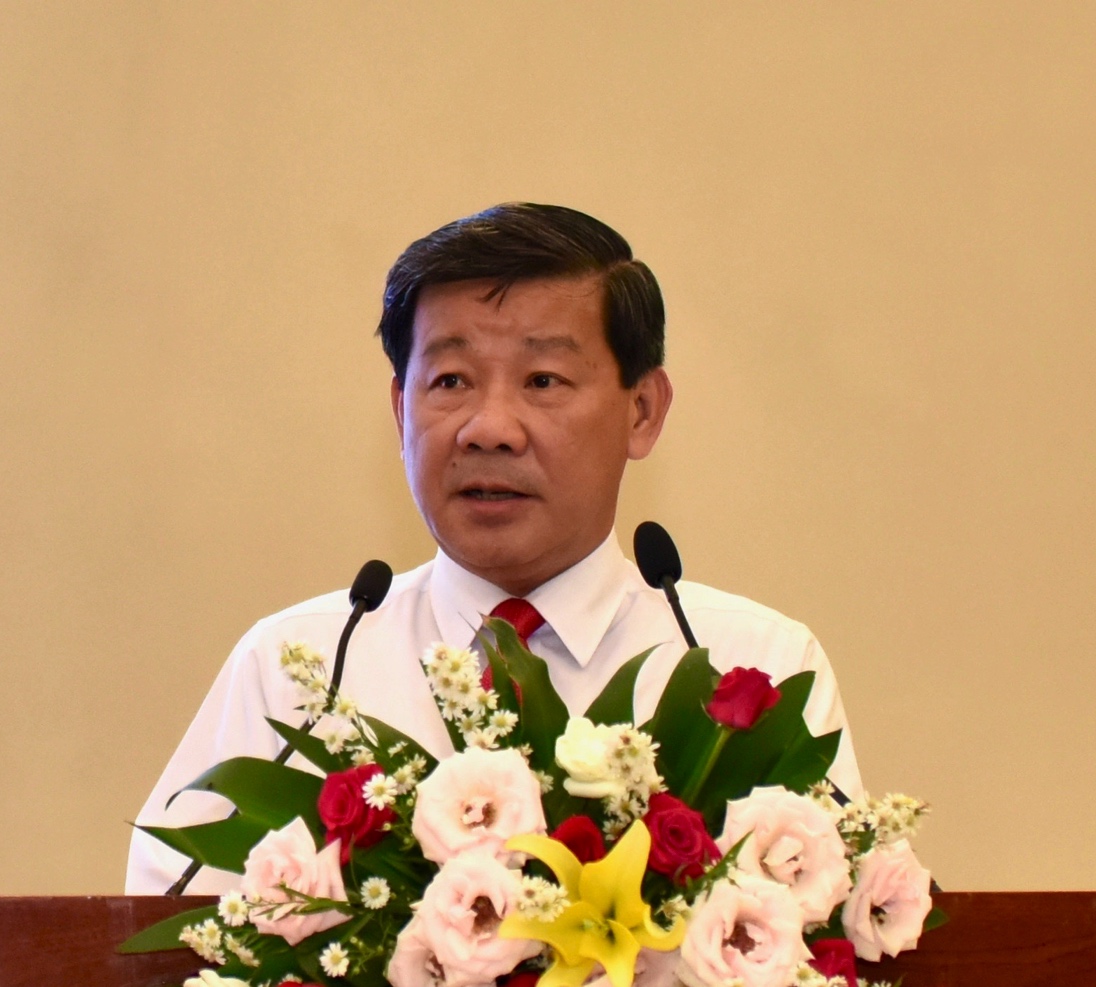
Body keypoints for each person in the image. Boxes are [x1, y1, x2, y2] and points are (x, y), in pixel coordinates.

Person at [125, 203, 862, 894]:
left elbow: (835, 922)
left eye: (543, 380)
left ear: (642, 410)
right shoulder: (302, 670)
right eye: (450, 380)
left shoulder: (752, 666)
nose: (490, 428)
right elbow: (167, 922)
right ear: (401, 409)